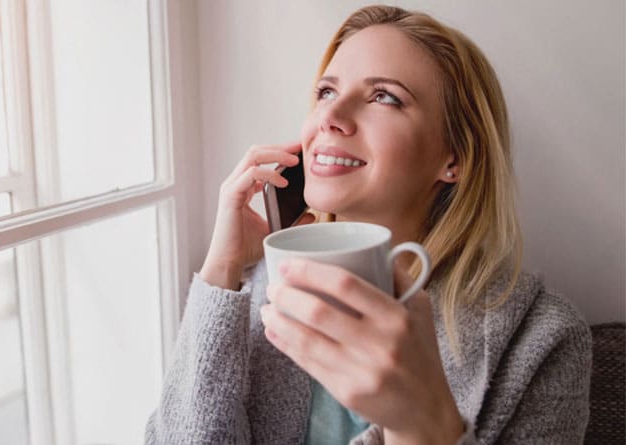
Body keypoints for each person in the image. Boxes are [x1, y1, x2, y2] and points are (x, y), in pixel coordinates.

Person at [145, 5, 592, 444]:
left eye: (384, 97)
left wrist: (423, 426)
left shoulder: (543, 339)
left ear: (452, 157)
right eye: (326, 92)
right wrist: (220, 271)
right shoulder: (254, 295)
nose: (330, 119)